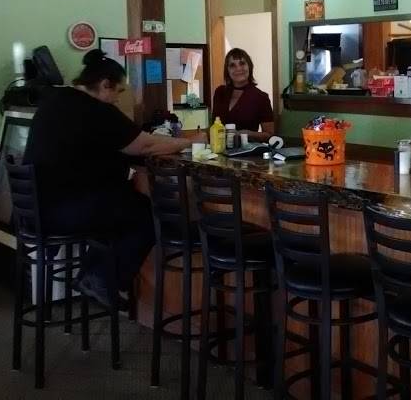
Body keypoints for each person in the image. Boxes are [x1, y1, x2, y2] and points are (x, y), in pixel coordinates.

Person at [24, 49, 199, 307]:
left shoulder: (55, 99)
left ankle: (95, 275)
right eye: (118, 91)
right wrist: (191, 142)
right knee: (149, 214)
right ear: (105, 84)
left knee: (122, 208)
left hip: (35, 209)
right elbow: (144, 145)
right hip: (65, 210)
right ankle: (101, 278)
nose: (117, 99)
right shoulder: (96, 109)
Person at [210, 48, 274, 142]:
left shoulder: (261, 97)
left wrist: (246, 134)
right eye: (232, 65)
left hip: (246, 149)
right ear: (227, 70)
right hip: (218, 148)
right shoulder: (220, 92)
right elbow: (214, 126)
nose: (238, 68)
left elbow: (269, 135)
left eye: (242, 63)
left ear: (249, 67)